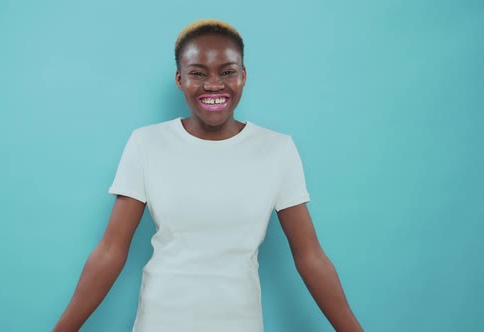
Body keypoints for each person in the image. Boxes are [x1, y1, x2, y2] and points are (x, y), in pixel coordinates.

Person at [53, 19, 363, 332]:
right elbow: (111, 250)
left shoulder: (277, 149)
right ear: (179, 79)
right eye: (198, 73)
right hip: (160, 321)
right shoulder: (147, 143)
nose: (213, 85)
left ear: (243, 75)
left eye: (227, 71)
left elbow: (310, 257)